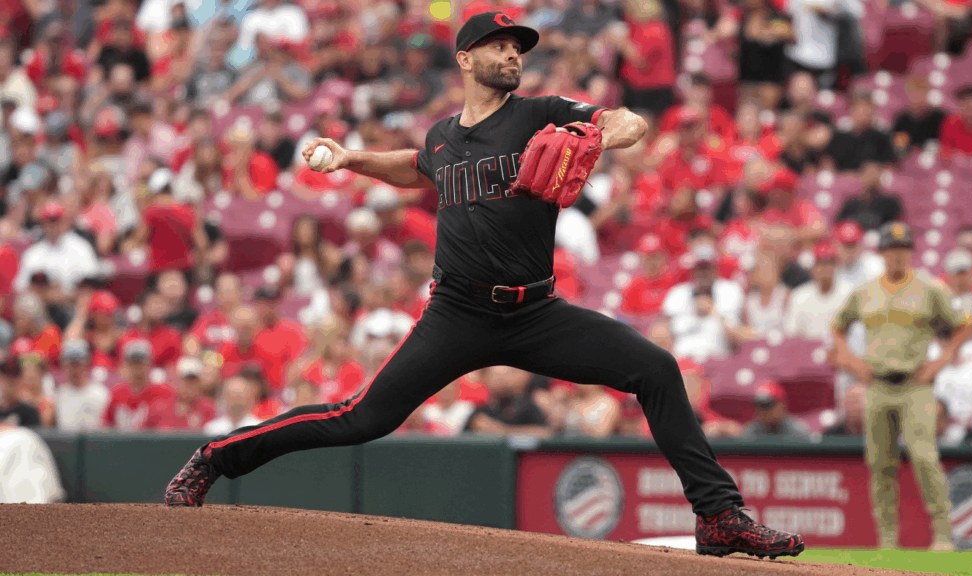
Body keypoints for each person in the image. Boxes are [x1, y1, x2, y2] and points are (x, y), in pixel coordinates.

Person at [165, 12, 804, 558]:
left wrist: (596, 132)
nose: (512, 54)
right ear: (466, 58)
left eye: (519, 47)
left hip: (536, 311)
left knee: (657, 368)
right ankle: (215, 458)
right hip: (458, 313)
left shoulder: (543, 113)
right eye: (500, 46)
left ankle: (718, 517)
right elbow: (420, 168)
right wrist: (354, 159)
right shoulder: (443, 136)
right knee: (358, 419)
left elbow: (629, 123)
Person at [831, 221, 972, 551]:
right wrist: (852, 363)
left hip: (915, 384)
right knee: (880, 463)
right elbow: (837, 326)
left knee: (925, 456)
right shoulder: (866, 290)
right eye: (891, 250)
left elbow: (964, 322)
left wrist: (941, 360)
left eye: (903, 249)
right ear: (882, 253)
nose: (897, 256)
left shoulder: (928, 288)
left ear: (910, 253)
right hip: (878, 384)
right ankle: (888, 541)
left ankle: (943, 536)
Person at [104, 340, 176, 431]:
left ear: (150, 363)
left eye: (140, 362)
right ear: (126, 364)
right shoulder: (117, 393)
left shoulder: (164, 393)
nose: (137, 367)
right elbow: (107, 426)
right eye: (133, 362)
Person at [784, 242, 849, 341]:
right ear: (813, 267)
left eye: (829, 264)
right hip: (807, 350)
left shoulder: (848, 293)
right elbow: (791, 333)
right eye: (820, 264)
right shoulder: (800, 295)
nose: (824, 269)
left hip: (839, 349)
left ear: (836, 266)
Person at [54, 339, 109, 432]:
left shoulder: (101, 393)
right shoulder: (58, 395)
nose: (74, 369)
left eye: (78, 364)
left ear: (86, 364)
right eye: (70, 364)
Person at [741, 381, 813, 441]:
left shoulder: (797, 431)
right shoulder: (751, 431)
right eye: (760, 405)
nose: (763, 411)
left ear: (782, 405)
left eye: (768, 405)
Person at [0, 358, 41, 427]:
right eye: (7, 377)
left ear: (20, 378)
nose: (10, 382)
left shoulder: (29, 411)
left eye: (14, 377)